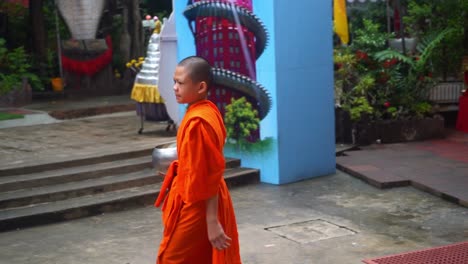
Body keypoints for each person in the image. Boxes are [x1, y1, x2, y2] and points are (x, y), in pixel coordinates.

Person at [155, 56, 241, 263]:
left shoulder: (199, 122)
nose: (175, 87)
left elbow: (209, 173)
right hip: (196, 194)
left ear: (201, 87)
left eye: (181, 83)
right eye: (174, 82)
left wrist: (212, 221)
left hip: (199, 202)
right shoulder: (205, 110)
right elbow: (196, 162)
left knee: (171, 258)